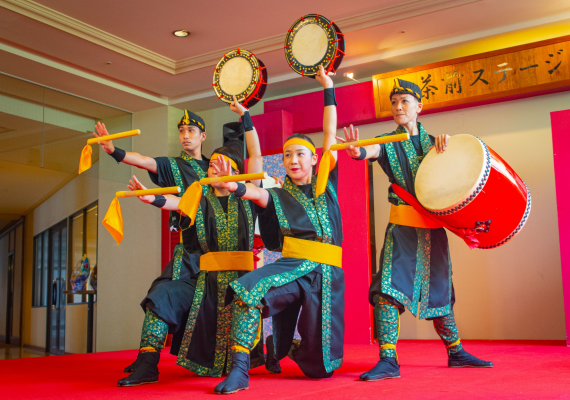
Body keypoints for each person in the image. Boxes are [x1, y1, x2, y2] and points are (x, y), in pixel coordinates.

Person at [338, 78, 492, 383]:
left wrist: (450, 149)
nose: (398, 107)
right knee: (386, 291)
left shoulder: (438, 142)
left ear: (419, 107)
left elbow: (458, 179)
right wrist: (357, 152)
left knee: (441, 290)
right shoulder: (386, 141)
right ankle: (388, 359)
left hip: (434, 230)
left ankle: (456, 352)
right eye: (394, 102)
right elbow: (368, 152)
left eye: (404, 101)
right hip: (402, 230)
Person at [212, 65, 344, 394]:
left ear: (314, 159)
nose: (292, 160)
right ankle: (240, 368)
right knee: (246, 291)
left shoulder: (326, 185)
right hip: (293, 267)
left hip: (326, 276)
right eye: (287, 155)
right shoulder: (278, 194)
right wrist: (236, 188)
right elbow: (257, 193)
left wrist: (328, 87)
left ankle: (288, 347)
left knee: (321, 369)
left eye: (300, 154)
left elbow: (330, 133)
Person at [127, 97, 266, 378]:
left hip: (240, 282)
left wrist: (246, 117)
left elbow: (256, 154)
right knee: (161, 295)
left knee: (249, 301)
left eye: (222, 164)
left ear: (238, 171)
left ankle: (244, 367)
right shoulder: (198, 196)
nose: (214, 168)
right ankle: (147, 363)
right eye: (211, 164)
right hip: (205, 284)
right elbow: (174, 202)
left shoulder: (249, 194)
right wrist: (149, 197)